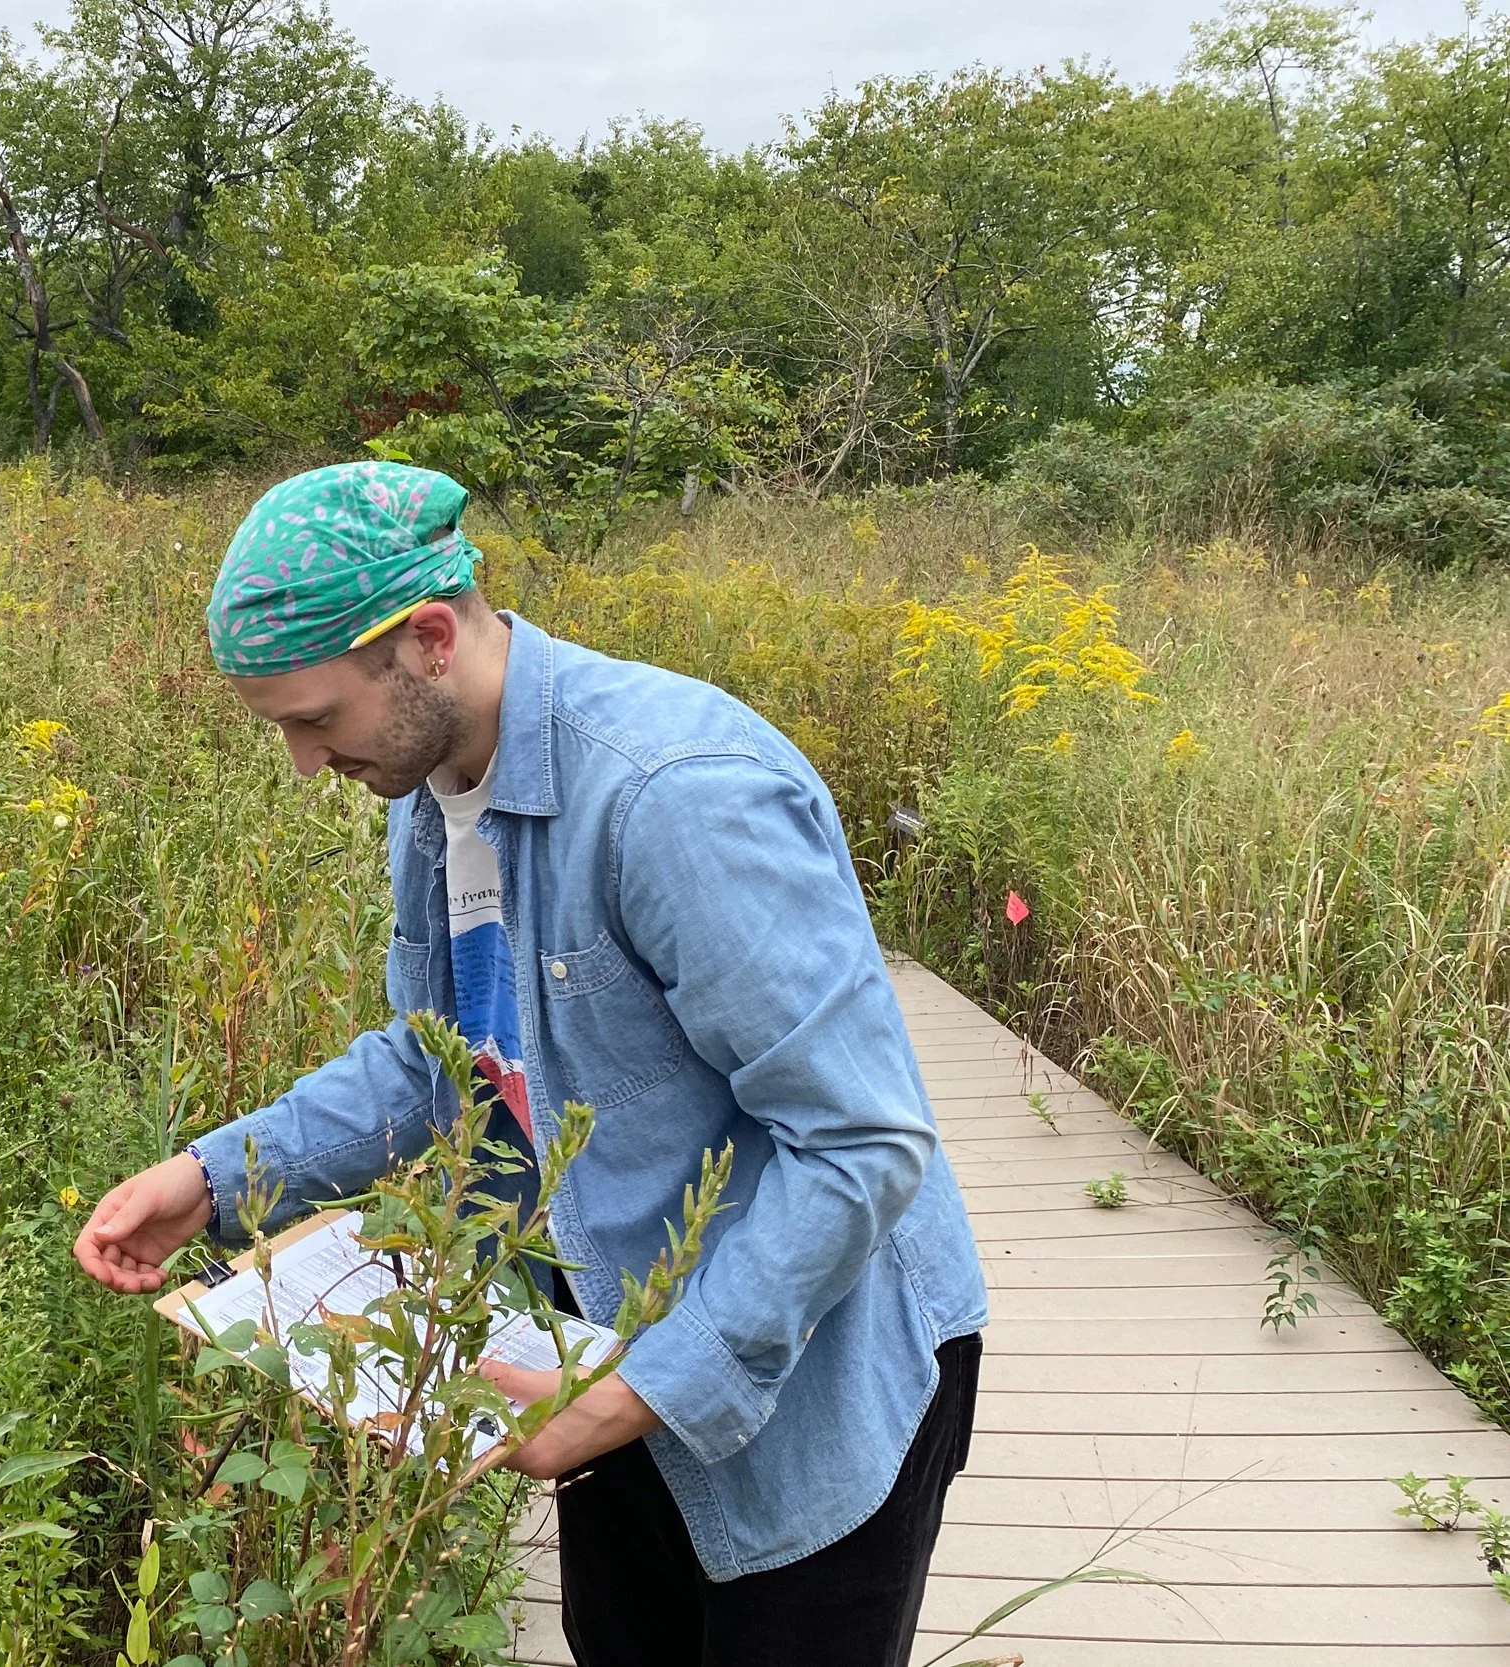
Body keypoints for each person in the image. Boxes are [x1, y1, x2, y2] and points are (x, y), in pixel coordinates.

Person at [73, 461, 988, 1667]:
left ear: (430, 640)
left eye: (313, 718)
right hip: (596, 1345)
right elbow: (447, 1060)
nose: (302, 762)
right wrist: (220, 1173)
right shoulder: (432, 786)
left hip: (808, 1375)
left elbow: (861, 1145)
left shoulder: (676, 799)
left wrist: (649, 1387)